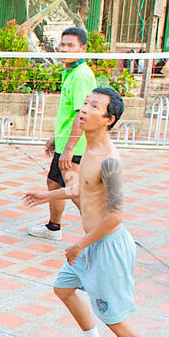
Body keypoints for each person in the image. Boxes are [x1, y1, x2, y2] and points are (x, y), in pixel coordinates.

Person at [22, 87, 161, 337]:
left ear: (108, 119)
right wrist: (46, 195)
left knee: (115, 317)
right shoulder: (89, 150)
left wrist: (79, 245)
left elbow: (115, 216)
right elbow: (80, 192)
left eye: (93, 106)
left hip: (107, 246)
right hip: (90, 245)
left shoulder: (109, 161)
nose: (83, 110)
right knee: (63, 288)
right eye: (85, 103)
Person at [27, 26, 95, 241]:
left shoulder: (81, 76)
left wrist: (68, 149)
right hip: (66, 144)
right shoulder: (70, 73)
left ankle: (99, 237)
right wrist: (57, 138)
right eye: (62, 45)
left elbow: (81, 115)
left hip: (76, 148)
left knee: (75, 193)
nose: (64, 50)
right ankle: (53, 228)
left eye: (70, 46)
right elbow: (69, 114)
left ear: (82, 49)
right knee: (54, 184)